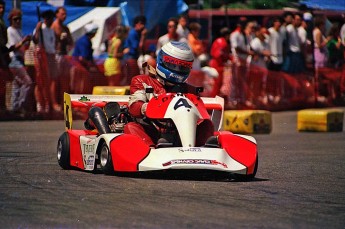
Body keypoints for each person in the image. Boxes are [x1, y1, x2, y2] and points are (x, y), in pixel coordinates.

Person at [124, 41, 214, 147]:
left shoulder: (190, 90)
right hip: (152, 131)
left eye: (183, 67)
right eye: (173, 65)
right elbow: (134, 107)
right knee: (131, 127)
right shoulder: (141, 81)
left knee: (207, 125)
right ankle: (150, 151)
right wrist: (149, 107)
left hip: (181, 133)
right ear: (162, 60)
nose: (178, 70)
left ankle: (201, 151)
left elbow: (201, 113)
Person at [6, 9, 33, 116]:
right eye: (15, 19)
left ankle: (14, 108)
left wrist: (27, 42)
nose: (17, 21)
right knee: (28, 82)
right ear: (11, 20)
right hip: (14, 59)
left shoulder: (19, 31)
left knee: (17, 84)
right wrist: (23, 41)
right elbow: (14, 47)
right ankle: (19, 106)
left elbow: (22, 48)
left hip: (20, 59)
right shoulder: (10, 30)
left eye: (19, 19)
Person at [32, 9, 60, 113]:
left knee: (52, 80)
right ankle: (40, 103)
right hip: (42, 56)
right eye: (48, 18)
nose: (50, 20)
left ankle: (50, 103)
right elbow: (35, 40)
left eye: (51, 18)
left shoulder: (51, 30)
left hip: (51, 56)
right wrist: (37, 29)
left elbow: (52, 44)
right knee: (41, 81)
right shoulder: (41, 29)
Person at [51, 6, 74, 97]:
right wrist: (59, 39)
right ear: (57, 14)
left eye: (65, 14)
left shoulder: (65, 28)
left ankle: (63, 101)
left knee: (65, 80)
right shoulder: (53, 26)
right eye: (62, 14)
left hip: (64, 55)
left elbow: (71, 42)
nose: (64, 16)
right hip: (56, 55)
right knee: (55, 80)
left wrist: (66, 38)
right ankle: (54, 102)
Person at [71, 23, 99, 93]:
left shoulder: (85, 40)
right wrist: (90, 66)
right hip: (79, 66)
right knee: (81, 86)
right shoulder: (85, 41)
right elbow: (82, 58)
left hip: (78, 64)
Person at [123, 15, 147, 85]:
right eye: (141, 24)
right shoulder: (133, 33)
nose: (143, 26)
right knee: (132, 75)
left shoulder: (137, 33)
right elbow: (138, 46)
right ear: (136, 24)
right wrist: (143, 36)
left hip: (134, 56)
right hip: (130, 57)